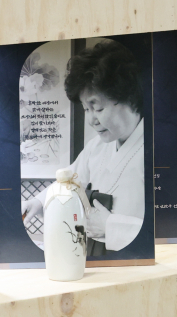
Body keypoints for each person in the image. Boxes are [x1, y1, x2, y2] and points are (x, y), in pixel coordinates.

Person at [21, 40, 145, 256]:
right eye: (86, 109)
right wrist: (38, 202)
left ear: (127, 96)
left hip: (136, 256)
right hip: (93, 250)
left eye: (97, 108)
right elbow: (70, 181)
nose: (91, 120)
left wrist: (111, 225)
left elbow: (165, 227)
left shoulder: (153, 148)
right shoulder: (97, 146)